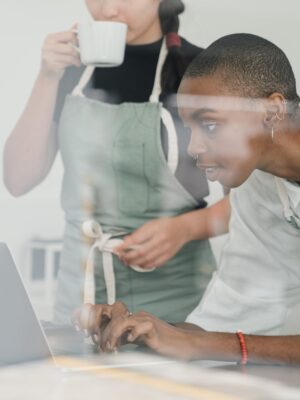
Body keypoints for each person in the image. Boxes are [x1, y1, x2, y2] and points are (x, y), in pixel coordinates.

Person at [73, 33, 300, 364]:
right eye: (189, 127)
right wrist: (141, 332)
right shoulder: (259, 182)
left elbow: (215, 342)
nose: (193, 147)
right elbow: (232, 314)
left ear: (272, 111)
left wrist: (201, 346)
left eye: (209, 125)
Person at [3, 0, 228, 324]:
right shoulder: (69, 67)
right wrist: (48, 75)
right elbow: (18, 179)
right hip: (80, 304)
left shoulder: (201, 70)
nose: (107, 10)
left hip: (179, 311)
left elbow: (252, 203)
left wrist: (185, 228)